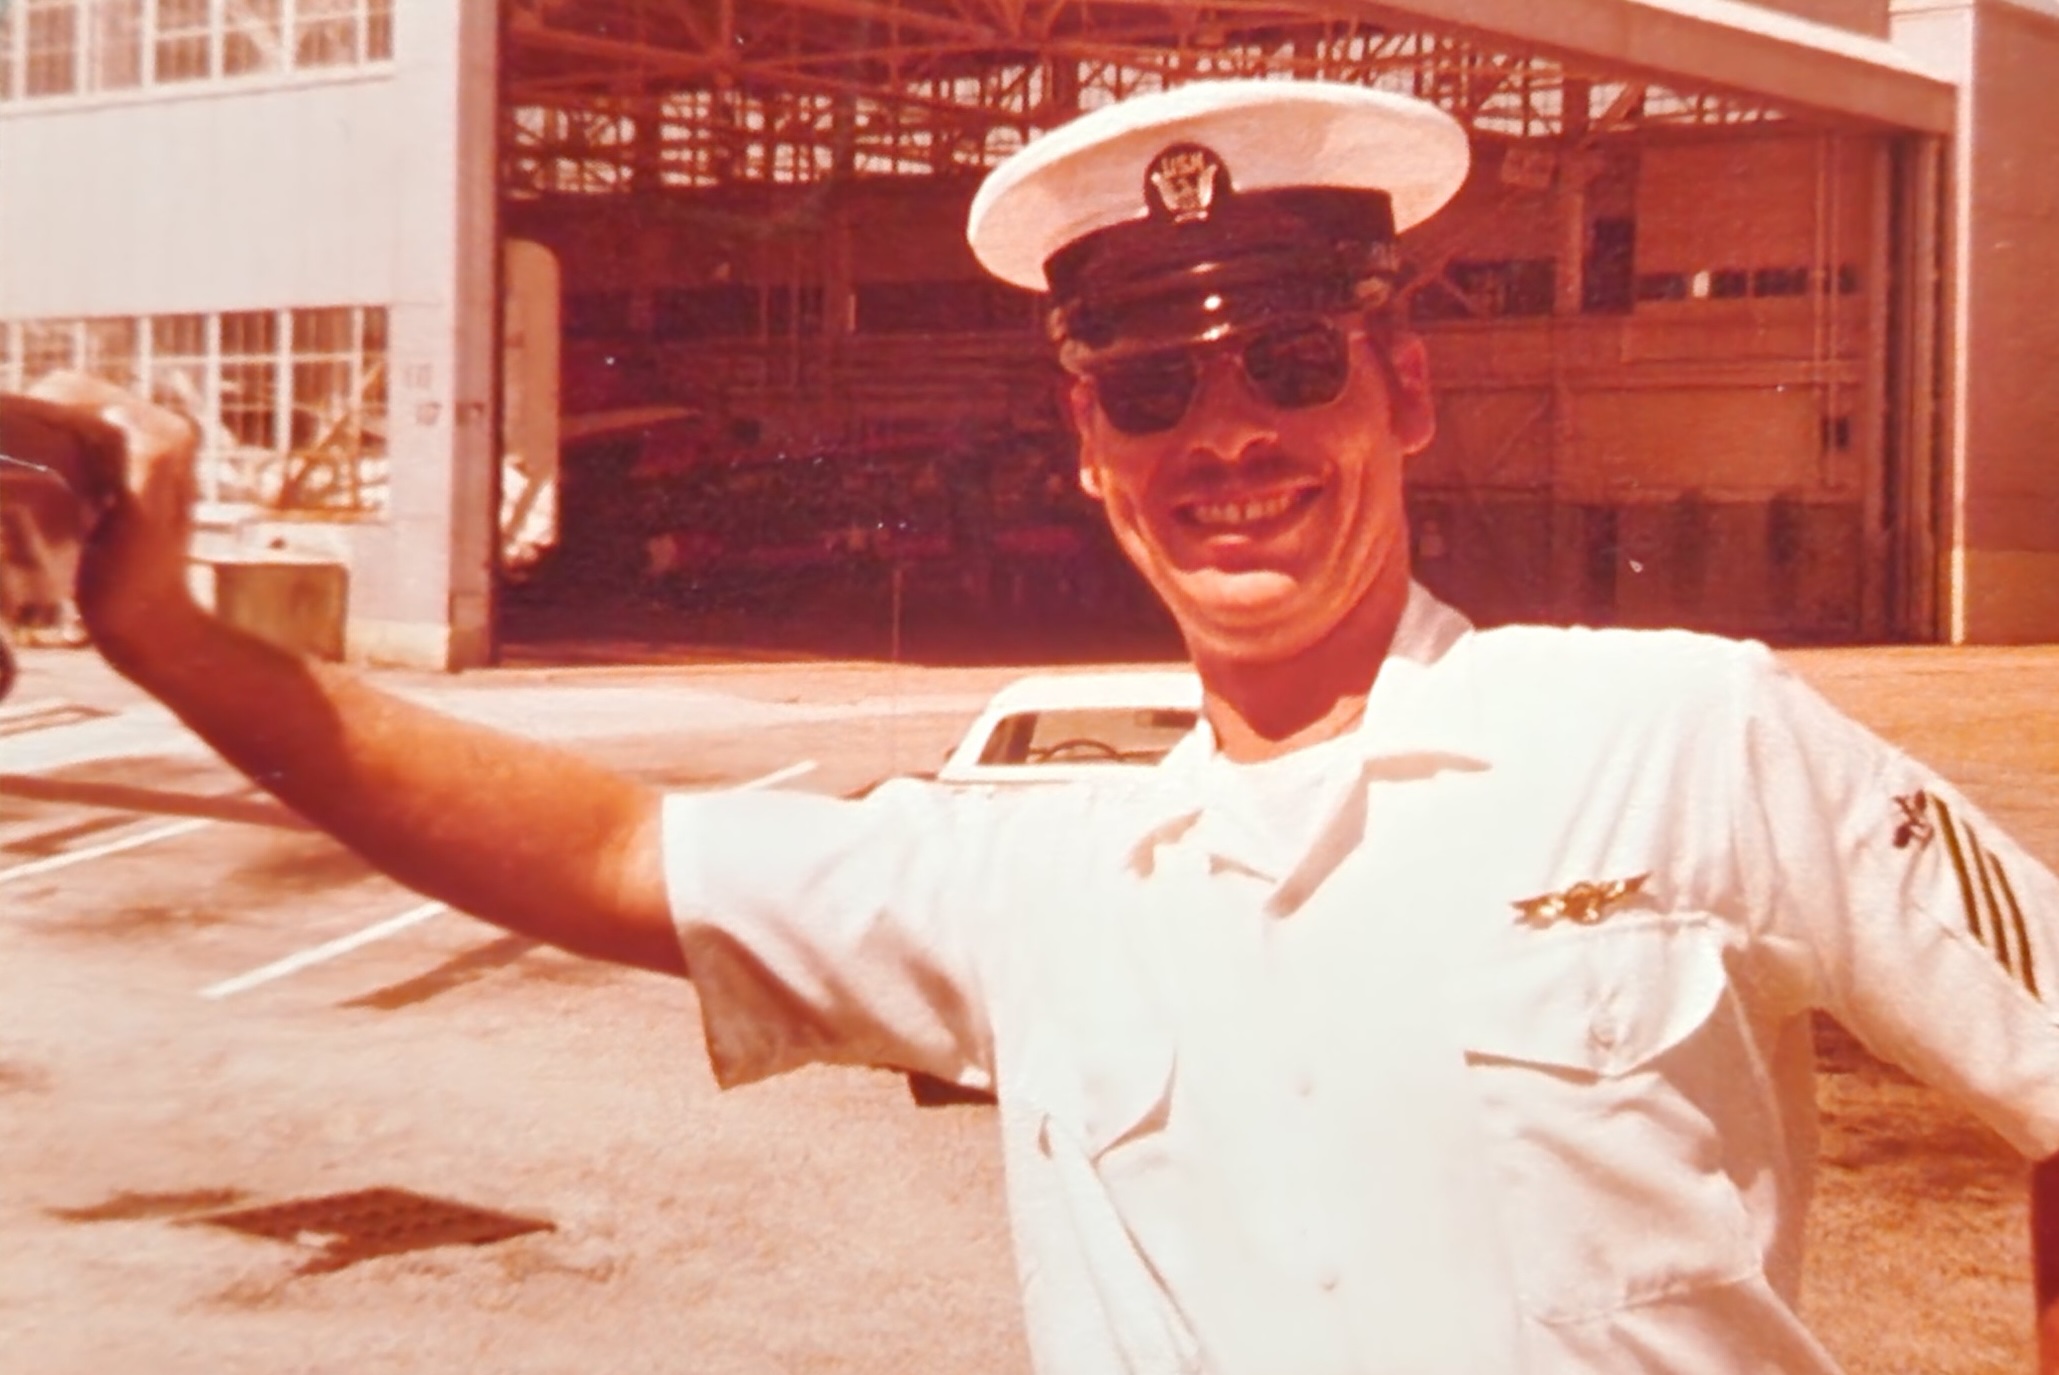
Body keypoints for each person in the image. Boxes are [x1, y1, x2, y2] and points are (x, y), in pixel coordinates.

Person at [16, 78, 2059, 1375]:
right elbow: (617, 851)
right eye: (1153, 392)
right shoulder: (1043, 874)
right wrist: (172, 640)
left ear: (1400, 389)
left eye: (1283, 359)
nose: (1229, 436)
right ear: (1088, 448)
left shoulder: (1684, 735)